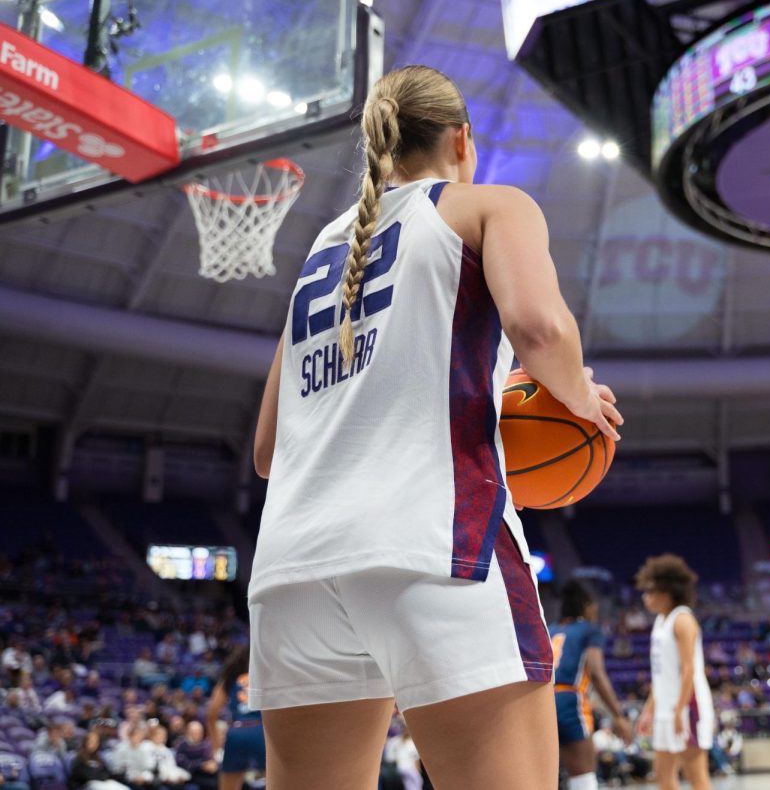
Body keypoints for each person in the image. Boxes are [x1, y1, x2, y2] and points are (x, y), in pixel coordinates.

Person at [247, 64, 622, 790]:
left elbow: (268, 451)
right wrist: (582, 401)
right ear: (462, 139)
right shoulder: (489, 205)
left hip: (292, 574)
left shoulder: (321, 254)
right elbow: (539, 328)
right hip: (434, 552)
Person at [635, 555, 715, 790]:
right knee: (663, 776)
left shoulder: (683, 620)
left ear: (667, 591)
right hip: (665, 708)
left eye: (650, 591)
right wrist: (648, 710)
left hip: (687, 706)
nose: (645, 597)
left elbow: (689, 669)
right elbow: (662, 677)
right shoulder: (661, 622)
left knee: (697, 778)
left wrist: (680, 711)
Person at [549, 581, 633, 790]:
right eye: (594, 605)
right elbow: (596, 671)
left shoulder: (551, 629)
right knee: (584, 776)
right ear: (586, 606)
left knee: (548, 777)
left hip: (543, 701)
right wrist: (618, 715)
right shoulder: (589, 630)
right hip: (569, 699)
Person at [206, 646, 264, 790]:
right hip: (260, 729)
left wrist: (216, 748)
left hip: (236, 731)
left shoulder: (231, 677)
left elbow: (212, 712)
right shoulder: (266, 675)